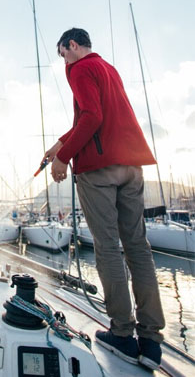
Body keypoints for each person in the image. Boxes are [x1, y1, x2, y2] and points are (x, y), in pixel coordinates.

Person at [40, 28, 165, 370]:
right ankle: (151, 341)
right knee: (138, 247)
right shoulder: (107, 69)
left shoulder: (79, 69)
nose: (63, 60)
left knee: (108, 247)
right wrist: (57, 147)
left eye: (62, 52)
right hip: (131, 166)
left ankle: (122, 335)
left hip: (100, 169)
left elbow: (92, 118)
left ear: (72, 45)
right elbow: (92, 116)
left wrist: (65, 159)